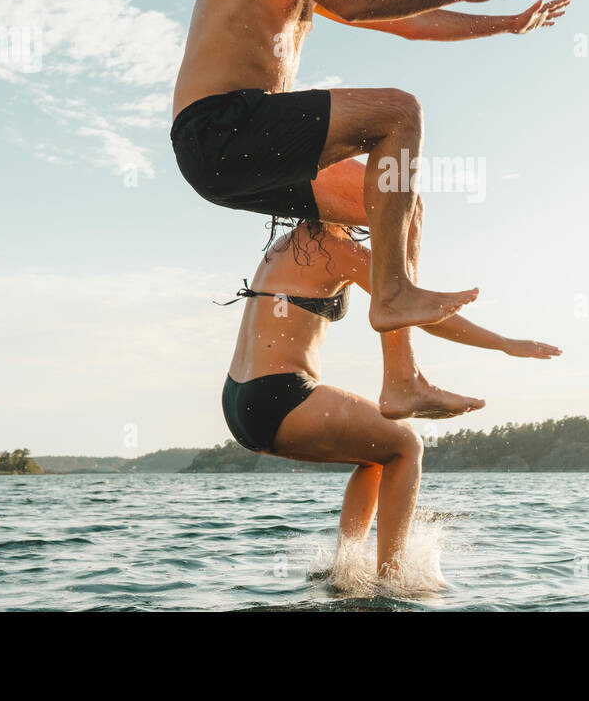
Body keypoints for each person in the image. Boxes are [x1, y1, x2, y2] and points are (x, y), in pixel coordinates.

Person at [171, 0, 568, 416]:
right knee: (398, 113)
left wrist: (505, 23)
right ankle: (395, 293)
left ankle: (402, 379)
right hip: (219, 128)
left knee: (396, 205)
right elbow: (353, 0)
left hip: (240, 154)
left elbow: (415, 25)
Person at [221, 218, 562, 580]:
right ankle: (391, 579)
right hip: (281, 395)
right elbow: (415, 312)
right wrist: (505, 344)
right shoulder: (334, 247)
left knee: (377, 457)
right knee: (407, 444)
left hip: (240, 398)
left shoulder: (292, 243)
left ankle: (345, 570)